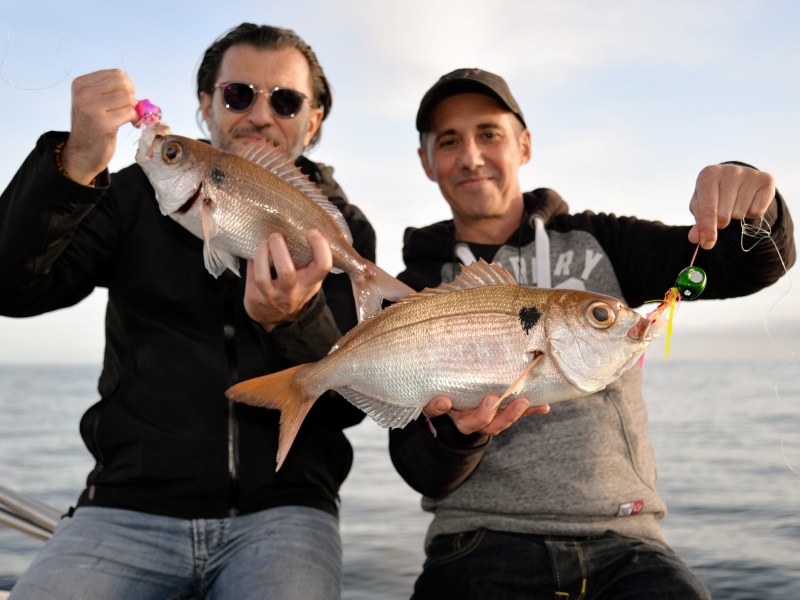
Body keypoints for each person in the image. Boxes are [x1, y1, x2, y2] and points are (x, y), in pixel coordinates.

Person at [0, 23, 376, 599]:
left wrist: (291, 323)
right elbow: (13, 289)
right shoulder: (129, 195)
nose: (259, 115)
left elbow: (350, 407)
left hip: (286, 512)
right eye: (237, 94)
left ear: (313, 119)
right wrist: (73, 164)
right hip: (126, 507)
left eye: (285, 99)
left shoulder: (341, 235)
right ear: (206, 105)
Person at [389, 68, 796, 599]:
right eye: (449, 141)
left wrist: (747, 201)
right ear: (426, 162)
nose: (471, 156)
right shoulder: (417, 290)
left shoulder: (601, 239)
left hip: (626, 543)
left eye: (489, 133)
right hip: (474, 542)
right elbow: (419, 469)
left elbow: (753, 267)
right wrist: (461, 434)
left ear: (524, 144)